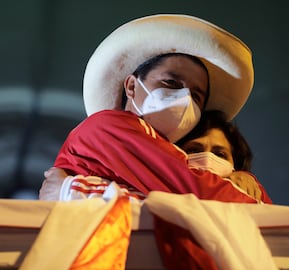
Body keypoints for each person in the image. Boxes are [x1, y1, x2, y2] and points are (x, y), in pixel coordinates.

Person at [39, 14, 262, 203]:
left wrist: (242, 177)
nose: (184, 98)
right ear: (132, 86)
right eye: (171, 83)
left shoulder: (165, 152)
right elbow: (201, 195)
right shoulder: (107, 127)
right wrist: (250, 191)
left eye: (195, 95)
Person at [41, 110, 273, 203]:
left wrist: (69, 188)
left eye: (220, 153)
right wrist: (70, 188)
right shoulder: (149, 182)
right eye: (193, 149)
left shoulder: (249, 194)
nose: (206, 158)